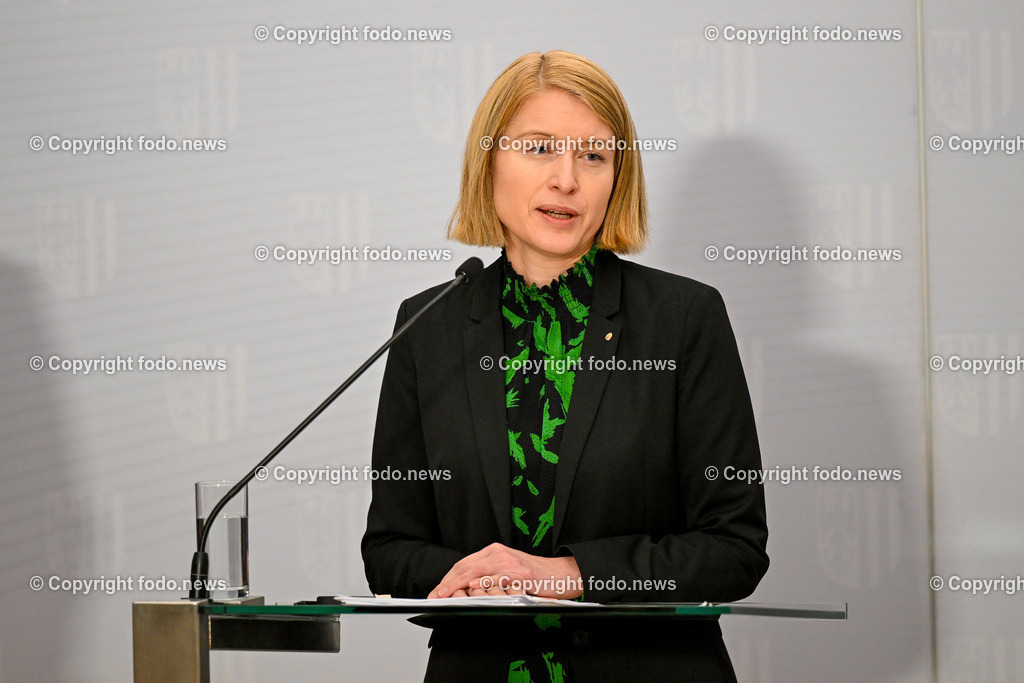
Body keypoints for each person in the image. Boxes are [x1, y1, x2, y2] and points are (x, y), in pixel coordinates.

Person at [362, 49, 768, 682]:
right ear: (488, 162)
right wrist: (480, 579)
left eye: (594, 156)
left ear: (617, 179)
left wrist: (571, 574)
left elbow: (734, 548)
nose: (567, 180)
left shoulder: (685, 318)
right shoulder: (428, 325)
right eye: (538, 149)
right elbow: (390, 550)